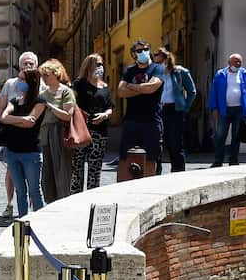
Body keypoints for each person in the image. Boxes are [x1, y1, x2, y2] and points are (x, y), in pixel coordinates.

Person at [0, 68, 48, 216]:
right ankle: (22, 221)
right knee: (20, 191)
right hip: (13, 152)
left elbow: (30, 124)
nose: (19, 82)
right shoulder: (14, 101)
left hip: (31, 153)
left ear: (31, 82)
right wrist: (22, 119)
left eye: (22, 79)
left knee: (34, 190)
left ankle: (39, 222)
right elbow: (3, 117)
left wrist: (14, 121)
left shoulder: (40, 101)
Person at [115, 39, 165, 181]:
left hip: (152, 120)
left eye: (146, 49)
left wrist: (131, 86)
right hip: (131, 120)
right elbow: (121, 92)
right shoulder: (129, 71)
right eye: (139, 50)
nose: (143, 52)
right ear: (133, 54)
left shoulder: (157, 68)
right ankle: (121, 187)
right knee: (125, 157)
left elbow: (152, 87)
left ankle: (149, 188)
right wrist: (143, 89)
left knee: (151, 158)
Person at [70, 54, 112, 193]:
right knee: (77, 167)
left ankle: (92, 196)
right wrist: (80, 113)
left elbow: (110, 107)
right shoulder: (79, 84)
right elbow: (71, 101)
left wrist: (105, 115)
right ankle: (76, 197)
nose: (101, 67)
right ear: (89, 66)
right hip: (81, 130)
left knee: (95, 168)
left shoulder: (105, 87)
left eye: (102, 64)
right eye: (98, 64)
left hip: (99, 132)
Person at [207, 53, 246, 167]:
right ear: (229, 63)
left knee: (236, 136)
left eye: (240, 62)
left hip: (239, 109)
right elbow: (214, 92)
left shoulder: (244, 74)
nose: (238, 64)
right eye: (235, 61)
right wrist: (214, 108)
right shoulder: (220, 74)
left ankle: (233, 159)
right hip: (224, 110)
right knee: (220, 135)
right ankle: (218, 160)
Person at [37, 58, 76, 202]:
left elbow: (67, 115)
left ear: (55, 74)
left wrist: (49, 106)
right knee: (47, 173)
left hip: (60, 135)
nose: (44, 78)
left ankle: (63, 201)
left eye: (46, 75)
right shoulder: (42, 94)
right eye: (42, 75)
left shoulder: (66, 92)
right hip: (45, 136)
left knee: (62, 171)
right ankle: (50, 201)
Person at [152, 47, 197, 172]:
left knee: (175, 142)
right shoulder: (154, 74)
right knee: (157, 142)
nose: (158, 65)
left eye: (160, 62)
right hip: (159, 109)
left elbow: (192, 92)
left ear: (167, 59)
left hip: (175, 110)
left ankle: (178, 171)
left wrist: (185, 107)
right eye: (156, 62)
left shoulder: (180, 72)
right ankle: (156, 171)